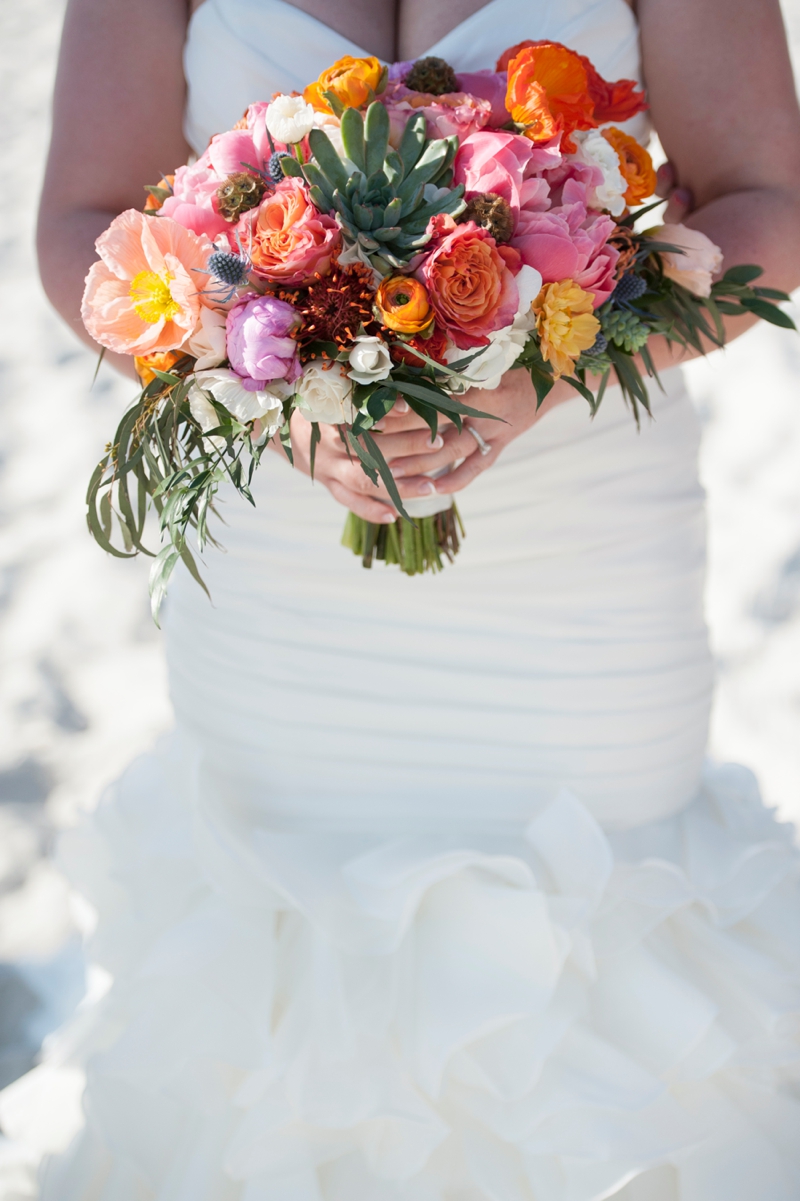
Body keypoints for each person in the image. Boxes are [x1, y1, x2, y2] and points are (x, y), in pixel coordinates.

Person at [4, 0, 800, 1197]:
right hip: (286, 578)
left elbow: (766, 203)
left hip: (577, 561)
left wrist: (557, 361)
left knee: (599, 952)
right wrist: (253, 384)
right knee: (283, 973)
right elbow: (82, 222)